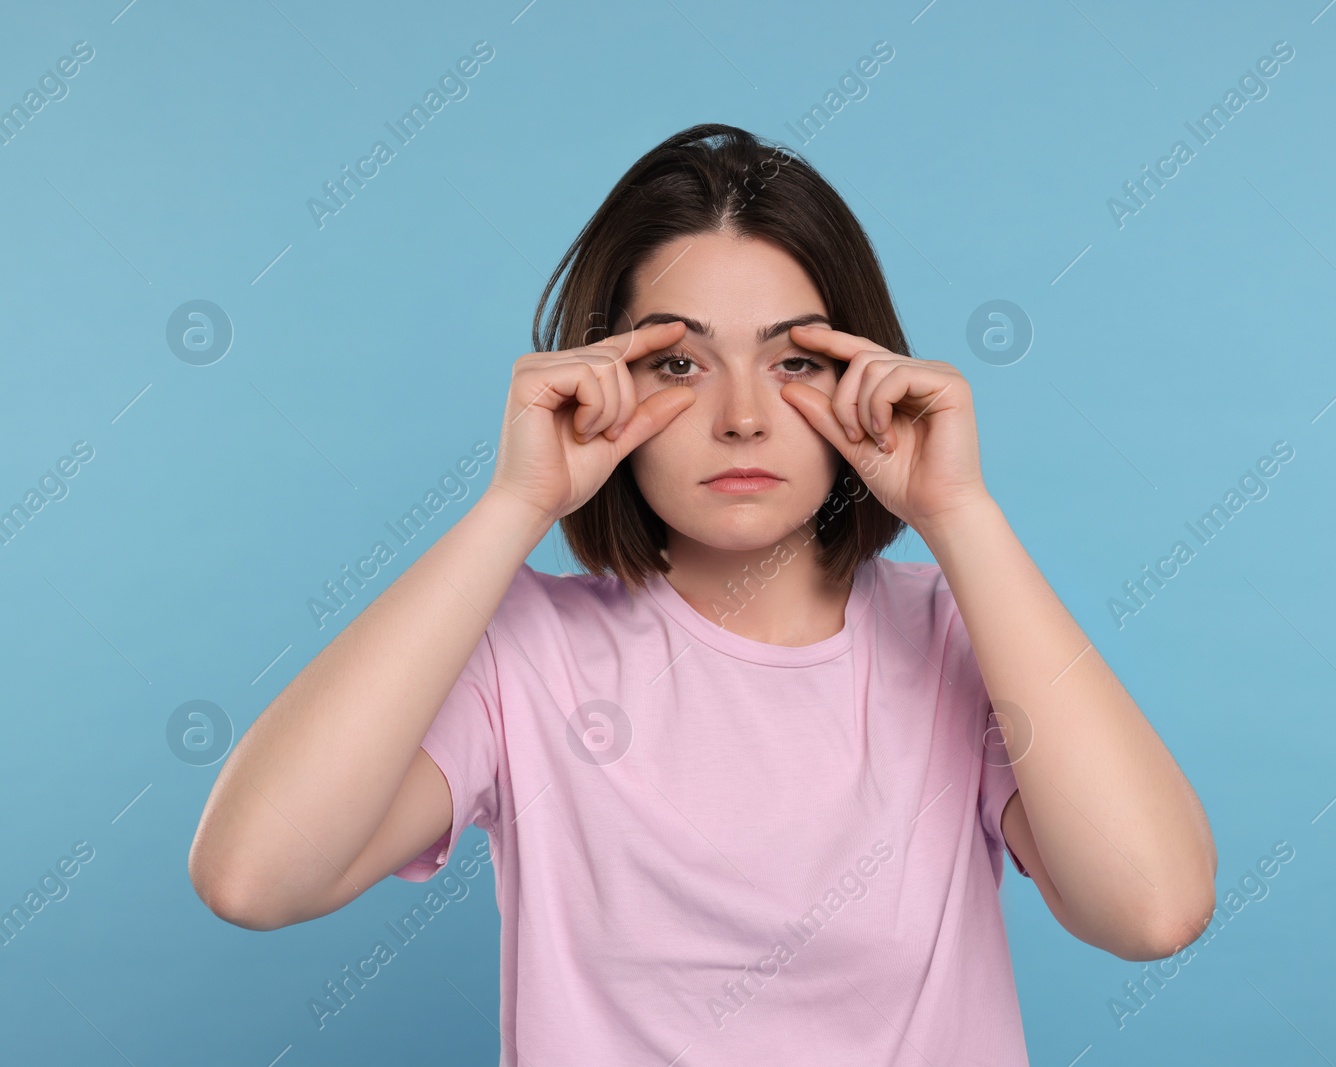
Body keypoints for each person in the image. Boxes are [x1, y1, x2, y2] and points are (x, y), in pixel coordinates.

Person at [187, 123, 1216, 1064]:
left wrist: (964, 516)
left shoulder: (960, 640)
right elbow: (253, 875)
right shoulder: (524, 655)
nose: (741, 416)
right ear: (603, 380)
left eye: (796, 360)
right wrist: (513, 504)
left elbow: (1153, 909)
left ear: (867, 374)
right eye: (678, 360)